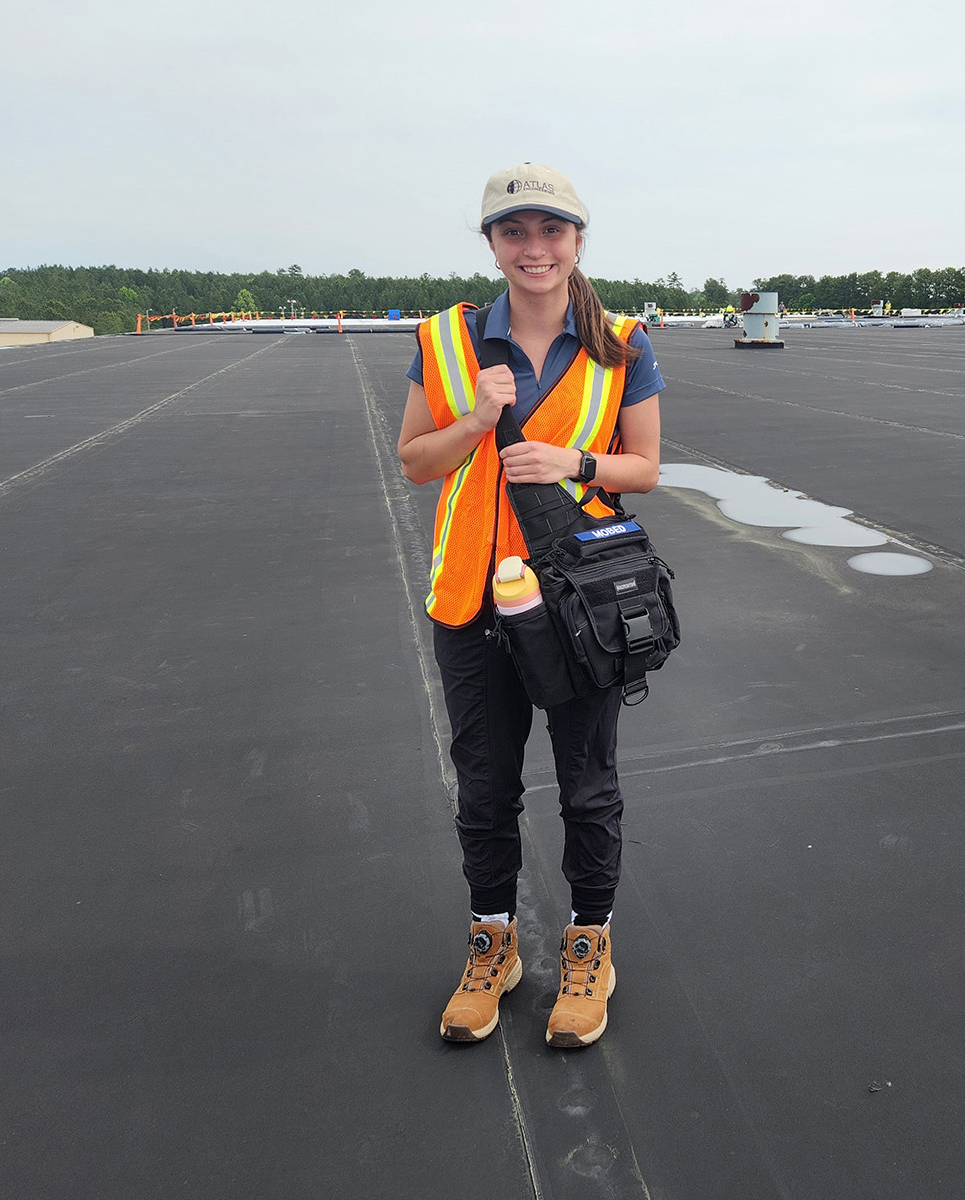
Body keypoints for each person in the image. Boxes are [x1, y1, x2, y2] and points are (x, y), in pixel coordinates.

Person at [396, 163, 664, 1047]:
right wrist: (474, 421)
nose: (534, 247)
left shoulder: (622, 340)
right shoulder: (445, 340)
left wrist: (572, 463)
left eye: (551, 230)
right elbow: (415, 461)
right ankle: (494, 944)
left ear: (578, 240)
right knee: (484, 785)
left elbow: (646, 470)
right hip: (471, 598)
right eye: (514, 232)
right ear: (491, 245)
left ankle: (590, 945)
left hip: (579, 605)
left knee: (588, 786)